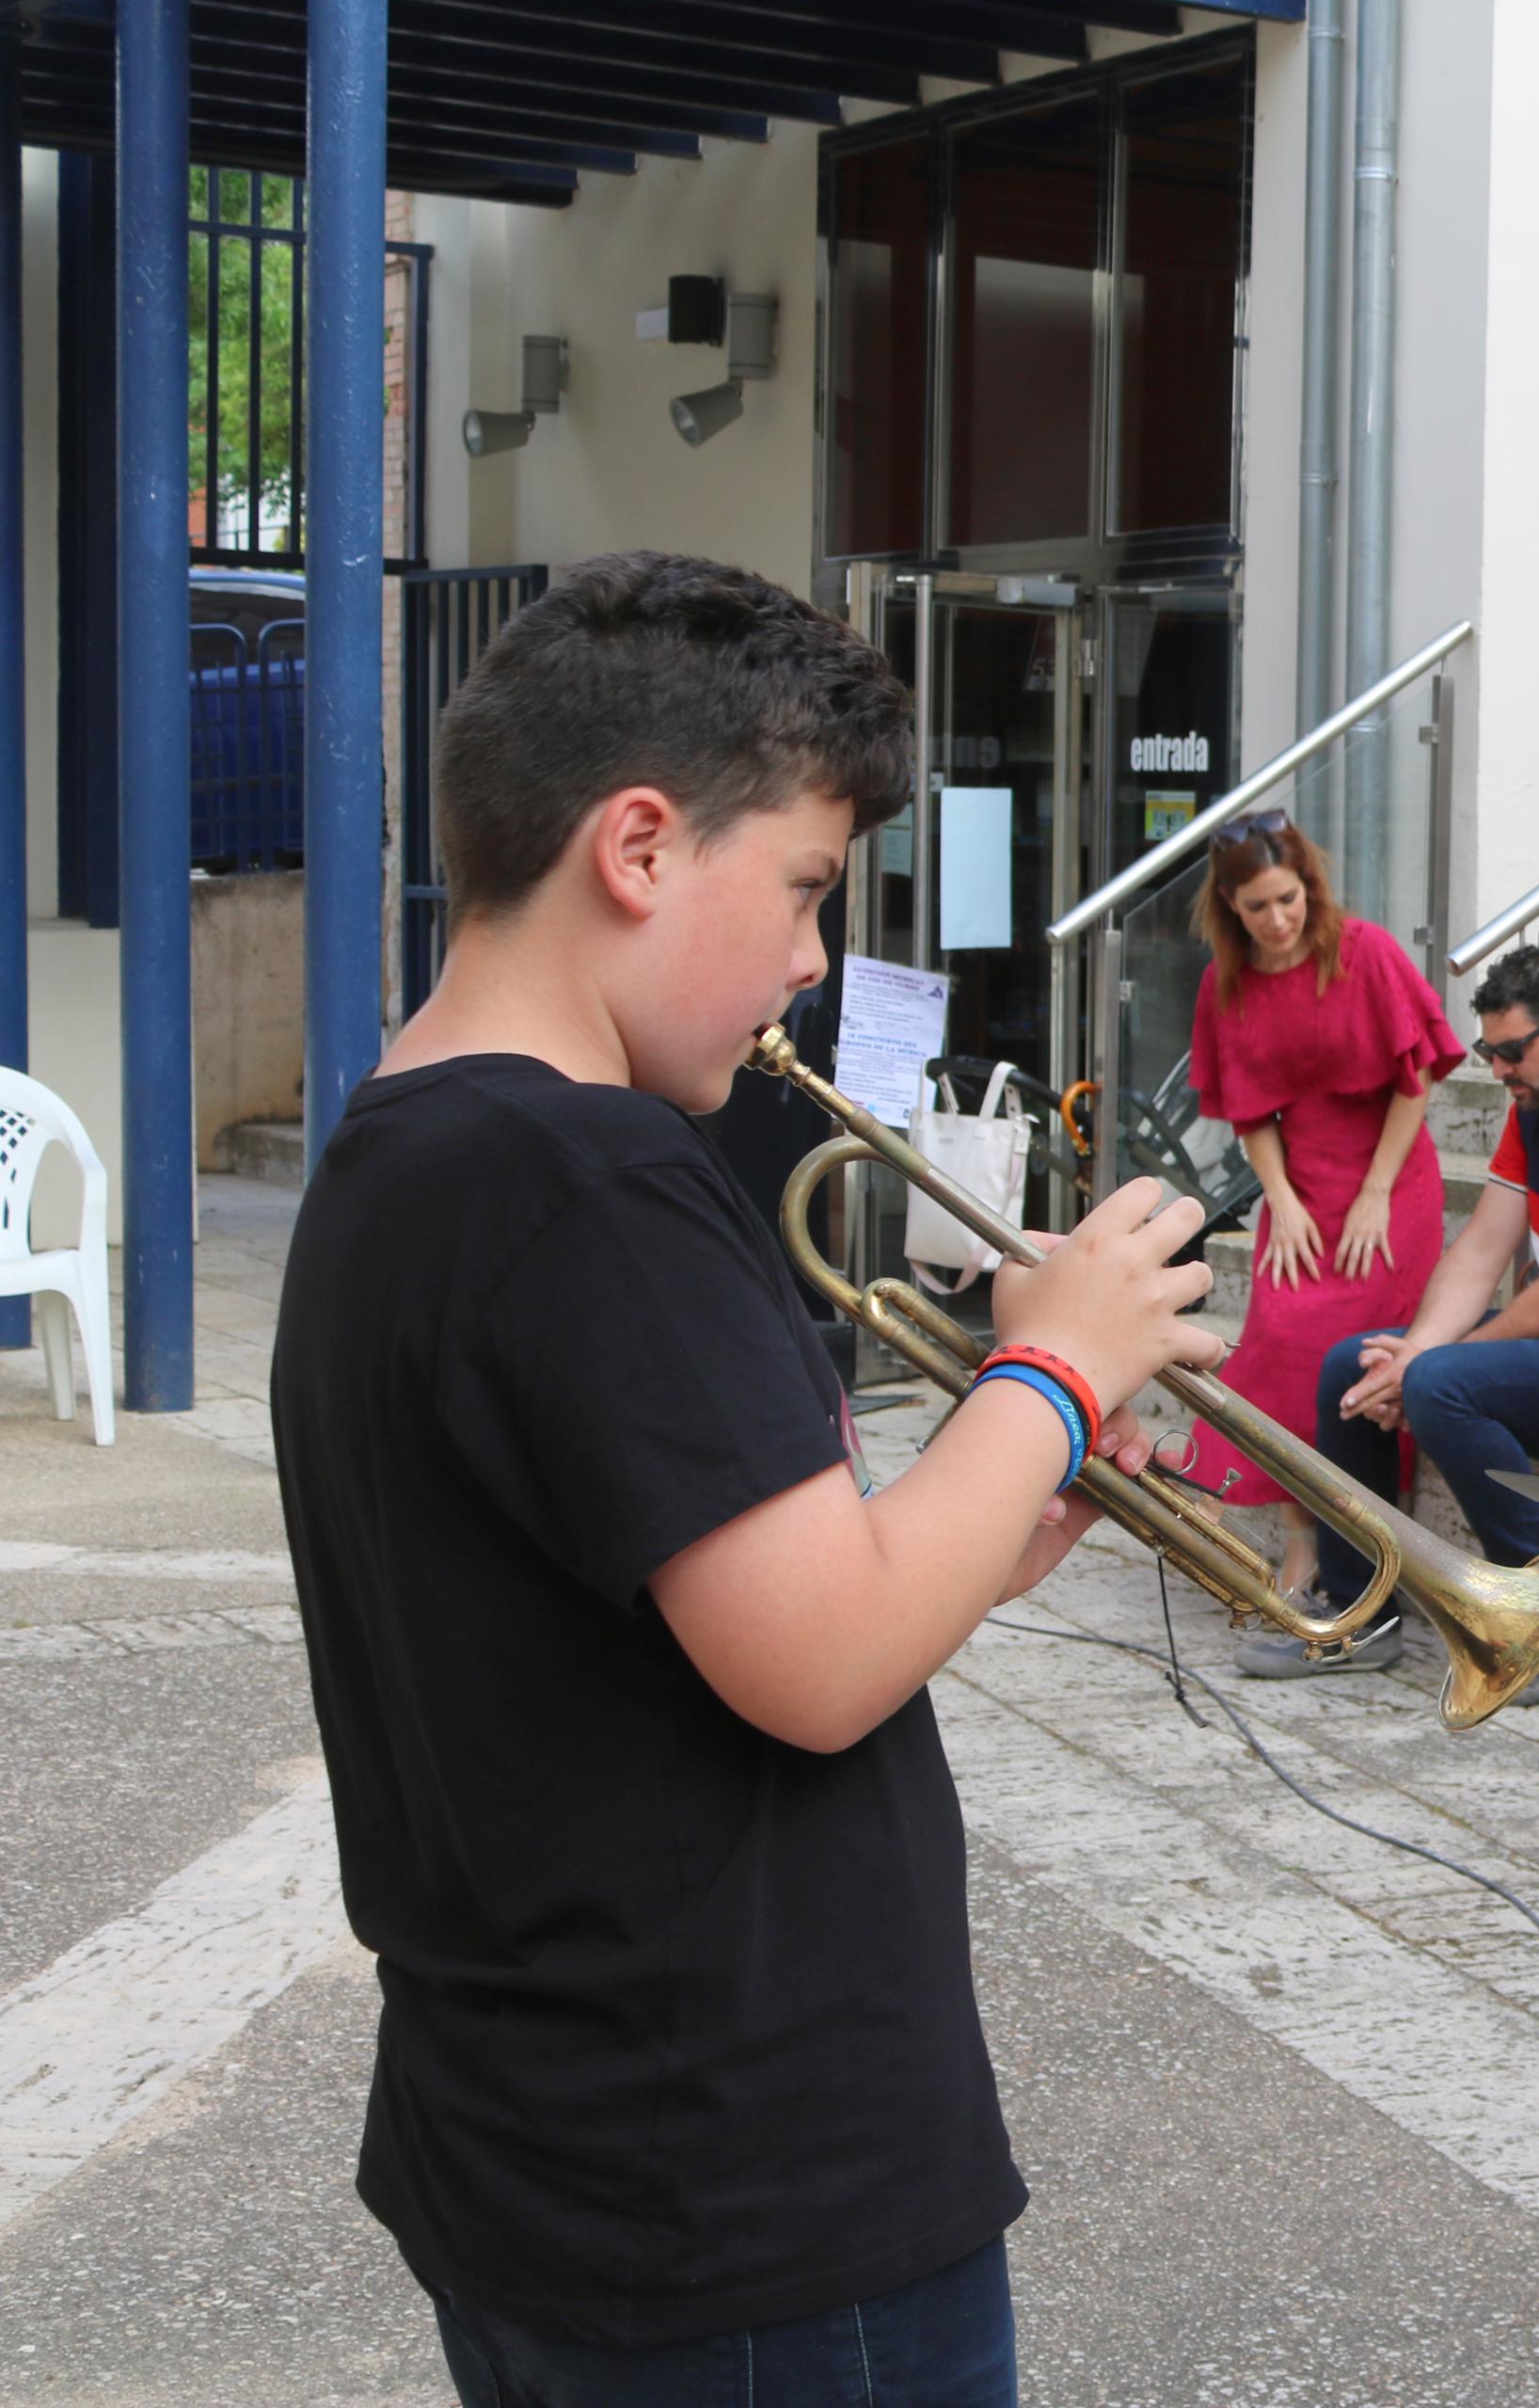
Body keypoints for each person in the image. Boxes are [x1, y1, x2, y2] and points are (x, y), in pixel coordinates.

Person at [272, 551, 1223, 2398]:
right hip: (744, 2188)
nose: (808, 959)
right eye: (797, 888)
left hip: (553, 2149)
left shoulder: (400, 1151)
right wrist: (1055, 1358)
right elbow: (818, 1660)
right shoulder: (602, 1182)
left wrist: (962, 1534)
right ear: (637, 846)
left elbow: (664, 1603)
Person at [1264, 946, 1539, 1697]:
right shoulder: (1533, 1106)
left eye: (1508, 1051)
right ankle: (1360, 1611)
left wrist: (1431, 1366)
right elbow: (1481, 1246)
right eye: (1487, 1052)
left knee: (1439, 1383)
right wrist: (1414, 1354)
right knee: (1352, 1365)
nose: (1496, 1069)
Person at [1175, 810, 1465, 1595]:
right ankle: (1305, 1539)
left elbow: (1416, 1076)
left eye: (1288, 899)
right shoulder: (1226, 982)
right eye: (1258, 906)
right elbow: (1247, 1108)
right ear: (1229, 906)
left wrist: (1375, 1192)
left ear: (1310, 886)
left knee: (1359, 1354)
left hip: (1388, 1177)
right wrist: (1281, 1198)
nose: (1277, 919)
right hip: (1298, 1187)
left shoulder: (1363, 951)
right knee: (1278, 1341)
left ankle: (1372, 1535)